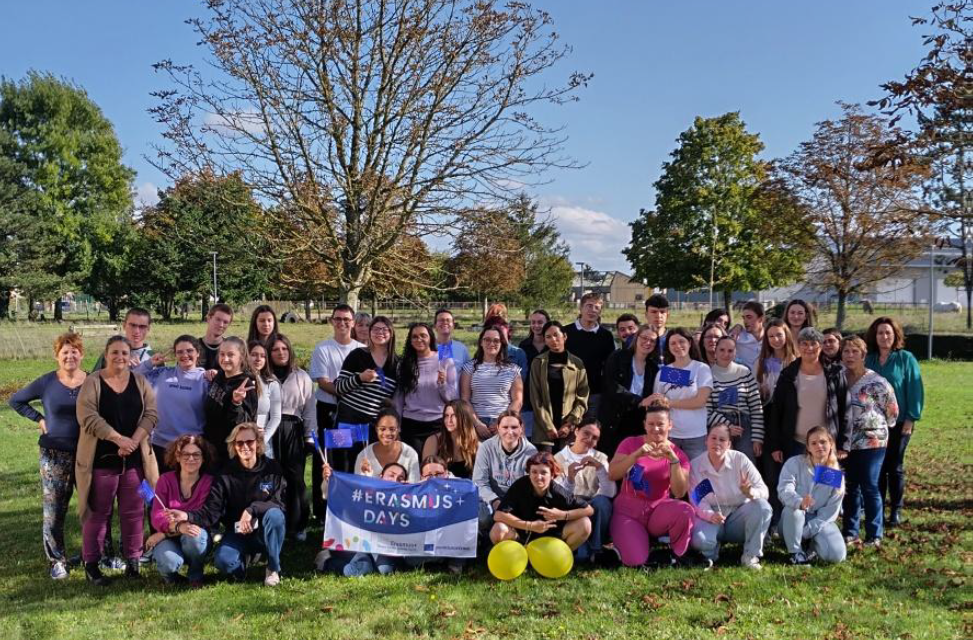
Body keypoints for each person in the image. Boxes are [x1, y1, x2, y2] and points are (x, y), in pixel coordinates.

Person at [75, 336, 159, 585]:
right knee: (97, 513)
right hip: (101, 462)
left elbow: (152, 414)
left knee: (134, 512)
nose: (120, 357)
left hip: (135, 463)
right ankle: (91, 563)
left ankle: (133, 562)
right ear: (106, 354)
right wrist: (117, 439)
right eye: (115, 353)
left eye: (124, 353)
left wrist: (132, 441)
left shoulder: (140, 381)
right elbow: (87, 416)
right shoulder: (93, 382)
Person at [168, 423, 287, 586]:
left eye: (249, 442)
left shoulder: (272, 468)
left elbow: (279, 503)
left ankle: (273, 568)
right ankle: (242, 566)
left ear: (258, 443)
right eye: (239, 443)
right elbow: (211, 512)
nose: (245, 446)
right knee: (223, 562)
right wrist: (187, 516)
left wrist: (252, 509)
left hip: (264, 530)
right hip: (237, 532)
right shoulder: (225, 474)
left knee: (275, 515)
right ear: (234, 446)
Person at [9, 332, 87, 579]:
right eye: (65, 352)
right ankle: (57, 559)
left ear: (81, 354)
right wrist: (39, 418)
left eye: (74, 351)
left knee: (93, 506)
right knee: (54, 509)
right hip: (54, 454)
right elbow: (16, 400)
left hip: (87, 452)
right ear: (57, 356)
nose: (70, 356)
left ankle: (96, 554)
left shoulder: (93, 381)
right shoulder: (47, 382)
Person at [607, 399, 699, 568]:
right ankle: (637, 546)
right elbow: (612, 474)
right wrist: (635, 455)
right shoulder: (630, 443)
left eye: (660, 424)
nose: (655, 429)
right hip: (628, 512)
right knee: (635, 561)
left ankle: (676, 554)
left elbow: (679, 492)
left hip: (658, 511)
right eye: (651, 424)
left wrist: (673, 461)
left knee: (685, 510)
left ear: (670, 425)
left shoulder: (679, 454)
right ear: (644, 425)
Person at [864, 316, 923, 528]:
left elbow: (914, 389)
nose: (884, 336)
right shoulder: (868, 360)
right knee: (877, 467)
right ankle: (877, 509)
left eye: (888, 332)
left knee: (894, 466)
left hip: (899, 422)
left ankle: (896, 509)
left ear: (895, 335)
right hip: (873, 424)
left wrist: (911, 418)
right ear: (875, 336)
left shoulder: (905, 359)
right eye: (880, 333)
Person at [840, 336, 898, 547]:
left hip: (872, 441)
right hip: (845, 443)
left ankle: (874, 534)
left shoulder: (877, 382)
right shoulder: (838, 378)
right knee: (848, 486)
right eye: (846, 351)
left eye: (855, 351)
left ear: (863, 355)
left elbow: (892, 411)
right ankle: (849, 532)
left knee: (870, 485)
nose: (850, 356)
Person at [689, 425, 772, 569]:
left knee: (763, 507)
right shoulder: (695, 466)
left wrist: (750, 493)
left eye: (722, 439)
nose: (717, 443)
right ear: (706, 441)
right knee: (700, 541)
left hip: (738, 516)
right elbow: (697, 501)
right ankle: (710, 552)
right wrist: (710, 515)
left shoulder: (740, 460)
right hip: (711, 517)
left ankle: (750, 555)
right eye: (713, 438)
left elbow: (763, 490)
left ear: (729, 444)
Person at [308, 304, 363, 522]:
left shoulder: (361, 349)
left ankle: (348, 509)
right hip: (330, 412)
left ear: (353, 322)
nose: (342, 323)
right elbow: (323, 383)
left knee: (349, 459)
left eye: (346, 319)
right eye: (338, 319)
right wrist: (348, 388)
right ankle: (323, 511)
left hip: (353, 412)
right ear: (332, 321)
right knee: (328, 461)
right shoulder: (323, 349)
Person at [766, 327, 847, 462]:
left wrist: (843, 444)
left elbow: (845, 409)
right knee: (797, 482)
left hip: (826, 444)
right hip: (794, 444)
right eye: (804, 343)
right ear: (798, 346)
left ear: (820, 346)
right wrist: (775, 445)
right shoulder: (788, 374)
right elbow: (777, 411)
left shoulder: (835, 373)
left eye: (814, 343)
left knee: (828, 482)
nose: (809, 348)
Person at [147, 435, 216, 586]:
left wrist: (165, 532)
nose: (191, 458)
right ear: (177, 457)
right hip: (170, 537)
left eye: (196, 454)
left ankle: (196, 574)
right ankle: (171, 579)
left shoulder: (209, 482)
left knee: (195, 535)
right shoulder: (165, 480)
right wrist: (178, 527)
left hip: (193, 535)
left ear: (203, 458)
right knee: (168, 562)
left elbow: (204, 517)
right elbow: (157, 517)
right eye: (186, 454)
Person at [333, 316, 399, 472]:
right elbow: (339, 388)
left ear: (391, 333)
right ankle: (339, 496)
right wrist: (360, 378)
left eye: (384, 329)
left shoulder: (397, 364)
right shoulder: (357, 355)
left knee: (367, 468)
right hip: (346, 419)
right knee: (341, 466)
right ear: (369, 333)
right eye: (375, 329)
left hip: (371, 424)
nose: (380, 332)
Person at [491, 452, 594, 552]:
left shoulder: (557, 491)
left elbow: (589, 509)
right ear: (529, 473)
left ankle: (556, 557)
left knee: (585, 524)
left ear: (552, 475)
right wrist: (530, 525)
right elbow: (498, 515)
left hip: (550, 538)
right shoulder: (520, 485)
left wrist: (563, 515)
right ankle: (519, 557)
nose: (538, 477)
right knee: (498, 530)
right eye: (534, 472)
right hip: (521, 535)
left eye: (543, 472)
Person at [136, 335, 210, 472]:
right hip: (159, 445)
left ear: (198, 353)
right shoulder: (162, 374)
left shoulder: (205, 379)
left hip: (190, 447)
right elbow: (132, 376)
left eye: (189, 351)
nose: (185, 355)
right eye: (180, 352)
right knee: (160, 490)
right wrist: (150, 363)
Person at [270, 334, 317, 540]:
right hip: (270, 428)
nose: (281, 353)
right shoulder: (263, 376)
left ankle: (298, 524)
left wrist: (310, 437)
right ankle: (275, 522)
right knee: (272, 476)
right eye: (275, 350)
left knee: (295, 478)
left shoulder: (302, 377)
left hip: (293, 427)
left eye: (284, 349)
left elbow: (309, 409)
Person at [778, 426, 847, 564]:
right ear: (808, 447)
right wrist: (800, 502)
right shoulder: (794, 463)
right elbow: (784, 490)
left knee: (837, 555)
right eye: (814, 443)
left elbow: (830, 513)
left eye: (823, 442)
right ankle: (796, 553)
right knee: (795, 509)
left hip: (818, 521)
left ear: (830, 444)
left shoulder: (834, 474)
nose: (819, 446)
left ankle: (811, 548)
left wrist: (806, 532)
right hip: (791, 519)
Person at [554, 419, 616, 563]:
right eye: (586, 433)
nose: (589, 439)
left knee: (602, 502)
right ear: (576, 431)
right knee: (581, 556)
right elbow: (558, 495)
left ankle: (596, 548)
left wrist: (600, 469)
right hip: (571, 504)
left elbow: (610, 493)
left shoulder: (601, 457)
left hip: (593, 504)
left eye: (594, 438)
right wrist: (570, 477)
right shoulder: (558, 458)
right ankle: (581, 550)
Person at [647, 327, 713, 461]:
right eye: (673, 343)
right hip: (670, 435)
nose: (678, 346)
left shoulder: (701, 368)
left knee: (696, 478)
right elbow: (656, 404)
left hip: (696, 435)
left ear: (689, 342)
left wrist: (669, 403)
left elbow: (700, 401)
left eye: (681, 341)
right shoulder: (664, 372)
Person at [396, 322, 458, 453]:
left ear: (430, 337)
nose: (419, 339)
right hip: (411, 424)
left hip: (438, 423)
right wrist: (397, 425)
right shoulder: (404, 364)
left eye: (423, 335)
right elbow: (399, 398)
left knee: (436, 466)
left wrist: (442, 384)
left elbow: (452, 398)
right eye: (415, 336)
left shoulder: (445, 360)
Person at [472, 411, 538, 532]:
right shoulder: (486, 448)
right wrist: (495, 500)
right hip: (491, 500)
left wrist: (511, 506)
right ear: (498, 428)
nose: (510, 432)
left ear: (522, 428)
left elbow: (530, 486)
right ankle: (483, 543)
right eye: (505, 427)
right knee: (482, 517)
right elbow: (479, 482)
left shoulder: (531, 452)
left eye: (514, 427)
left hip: (518, 501)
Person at [600, 325, 659, 458]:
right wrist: (639, 401)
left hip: (637, 422)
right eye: (644, 338)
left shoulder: (653, 368)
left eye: (652, 340)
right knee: (611, 461)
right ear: (636, 338)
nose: (648, 342)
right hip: (615, 419)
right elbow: (611, 386)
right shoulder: (618, 357)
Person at [529, 320, 589, 450]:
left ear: (565, 336)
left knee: (567, 467)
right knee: (545, 467)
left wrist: (570, 423)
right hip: (544, 429)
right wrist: (548, 426)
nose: (553, 340)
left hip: (568, 429)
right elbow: (535, 397)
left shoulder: (577, 364)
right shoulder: (538, 362)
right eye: (548, 337)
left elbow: (582, 397)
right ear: (544, 340)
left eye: (556, 335)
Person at [706, 336, 764, 462]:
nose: (726, 354)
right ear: (715, 351)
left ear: (735, 352)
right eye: (722, 350)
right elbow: (707, 411)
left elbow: (756, 407)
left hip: (744, 425)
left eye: (730, 350)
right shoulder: (708, 374)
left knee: (746, 467)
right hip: (719, 425)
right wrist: (728, 427)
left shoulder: (744, 372)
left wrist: (757, 438)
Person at [204, 337, 259, 467]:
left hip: (230, 454)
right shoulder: (219, 376)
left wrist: (236, 403)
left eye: (230, 355)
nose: (225, 358)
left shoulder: (246, 385)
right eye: (222, 354)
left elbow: (245, 425)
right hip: (211, 447)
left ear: (241, 357)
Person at [460, 327, 523, 438]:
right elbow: (465, 399)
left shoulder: (513, 369)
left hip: (504, 423)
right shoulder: (469, 367)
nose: (491, 343)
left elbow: (517, 401)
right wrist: (477, 423)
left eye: (496, 340)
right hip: (476, 421)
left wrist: (503, 422)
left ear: (502, 343)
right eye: (487, 340)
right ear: (481, 342)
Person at [563, 293, 616, 417]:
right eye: (589, 306)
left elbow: (609, 365)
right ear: (580, 308)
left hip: (595, 392)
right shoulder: (566, 332)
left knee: (591, 431)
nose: (592, 310)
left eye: (596, 307)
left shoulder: (605, 336)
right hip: (569, 392)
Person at [352, 408, 421, 482]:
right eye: (382, 429)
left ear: (399, 429)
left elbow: (414, 487)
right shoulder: (363, 456)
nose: (387, 433)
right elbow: (358, 487)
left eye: (392, 429)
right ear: (376, 429)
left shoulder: (410, 454)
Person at [421, 399, 480, 479]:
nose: (449, 420)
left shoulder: (477, 446)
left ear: (464, 418)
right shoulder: (433, 441)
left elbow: (480, 480)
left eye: (454, 416)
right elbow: (426, 475)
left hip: (466, 489)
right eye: (446, 416)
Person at [519, 309, 551, 435]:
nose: (536, 326)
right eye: (533, 322)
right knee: (528, 437)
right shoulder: (524, 345)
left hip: (548, 399)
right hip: (527, 399)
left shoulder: (553, 345)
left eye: (540, 322)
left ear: (547, 323)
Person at [248, 341, 282, 457]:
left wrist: (264, 439)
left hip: (263, 443)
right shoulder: (239, 379)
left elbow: (276, 417)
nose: (258, 359)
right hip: (241, 441)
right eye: (254, 354)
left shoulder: (271, 382)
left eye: (262, 356)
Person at [755, 319, 798, 406]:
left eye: (779, 335)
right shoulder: (760, 362)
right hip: (768, 411)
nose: (776, 339)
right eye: (771, 336)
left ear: (787, 336)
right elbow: (754, 388)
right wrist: (761, 391)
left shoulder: (795, 362)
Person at [433, 308, 471, 376]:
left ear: (453, 326)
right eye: (441, 320)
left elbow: (468, 374)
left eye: (448, 320)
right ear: (435, 326)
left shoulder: (462, 349)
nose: (445, 322)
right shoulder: (427, 348)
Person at [730, 301, 765, 371]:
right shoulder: (738, 337)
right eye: (744, 318)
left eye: (749, 317)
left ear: (761, 319)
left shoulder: (771, 337)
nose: (745, 321)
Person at [198, 303, 234, 371]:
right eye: (218, 319)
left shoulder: (232, 349)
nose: (221, 325)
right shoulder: (193, 347)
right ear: (209, 319)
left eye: (225, 322)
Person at [644, 293, 671, 357]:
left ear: (668, 315)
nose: (658, 316)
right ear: (646, 315)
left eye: (662, 312)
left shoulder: (674, 339)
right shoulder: (635, 340)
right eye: (654, 312)